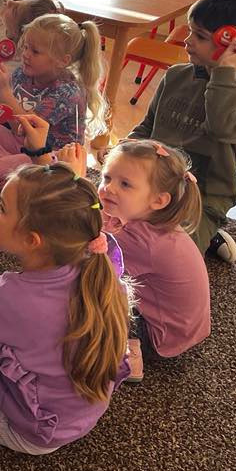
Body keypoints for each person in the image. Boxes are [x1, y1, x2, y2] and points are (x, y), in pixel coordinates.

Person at [0, 164, 130, 453]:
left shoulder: (13, 298)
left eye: (3, 208)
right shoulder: (102, 276)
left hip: (30, 430)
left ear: (32, 240)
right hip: (78, 417)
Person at [54, 138, 208, 382]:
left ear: (158, 200)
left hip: (157, 335)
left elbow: (80, 247)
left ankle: (127, 353)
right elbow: (99, 219)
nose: (108, 189)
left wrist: (73, 183)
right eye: (107, 178)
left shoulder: (142, 239)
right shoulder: (146, 217)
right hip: (182, 327)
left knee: (81, 290)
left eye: (125, 184)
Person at [125, 0, 236, 262]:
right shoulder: (176, 75)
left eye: (200, 36)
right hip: (150, 180)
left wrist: (225, 71)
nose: (187, 41)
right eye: (190, 31)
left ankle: (208, 232)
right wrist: (126, 149)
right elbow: (148, 126)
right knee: (108, 229)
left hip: (203, 196)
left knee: (170, 259)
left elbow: (224, 127)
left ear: (233, 44)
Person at [0, 13, 102, 183]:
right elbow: (16, 130)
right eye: (26, 47)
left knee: (31, 162)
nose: (26, 54)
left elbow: (27, 130)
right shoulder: (23, 73)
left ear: (62, 61)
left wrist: (4, 92)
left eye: (35, 51)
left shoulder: (67, 92)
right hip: (21, 144)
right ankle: (7, 171)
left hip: (51, 159)